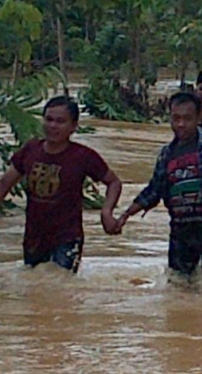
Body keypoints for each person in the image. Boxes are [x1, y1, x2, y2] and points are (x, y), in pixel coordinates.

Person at [117, 93, 202, 281]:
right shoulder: (167, 153)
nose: (181, 124)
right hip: (180, 230)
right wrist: (125, 215)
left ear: (199, 118)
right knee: (178, 287)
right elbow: (154, 191)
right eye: (176, 118)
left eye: (187, 118)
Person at [0, 96, 122, 273]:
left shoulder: (83, 156)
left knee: (61, 284)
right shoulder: (30, 150)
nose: (53, 126)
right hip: (34, 238)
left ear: (73, 126)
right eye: (48, 119)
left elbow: (113, 182)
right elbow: (5, 183)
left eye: (60, 121)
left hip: (67, 238)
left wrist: (106, 211)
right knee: (36, 288)